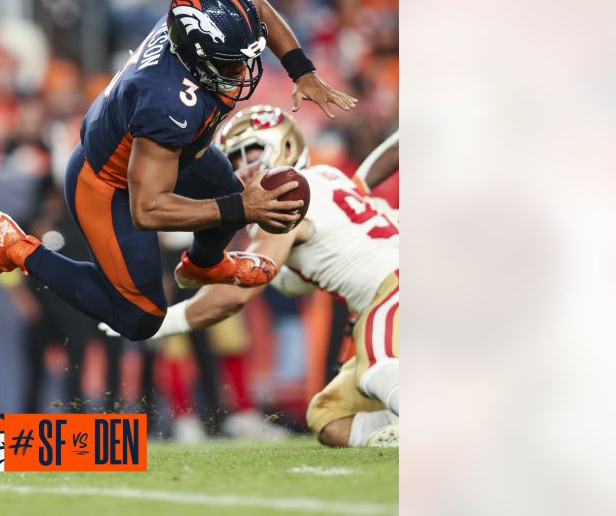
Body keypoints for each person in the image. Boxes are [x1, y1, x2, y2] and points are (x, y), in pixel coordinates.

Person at [0, 0, 357, 341]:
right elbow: (148, 211)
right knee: (142, 317)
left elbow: (257, 7)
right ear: (199, 56)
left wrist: (301, 71)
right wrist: (243, 207)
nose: (242, 70)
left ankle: (204, 265)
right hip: (108, 184)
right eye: (230, 61)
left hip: (173, 149)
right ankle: (13, 247)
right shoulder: (169, 101)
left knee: (224, 191)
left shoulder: (192, 36)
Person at [105, 106, 400, 448]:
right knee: (329, 418)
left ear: (285, 148)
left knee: (378, 368)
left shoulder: (286, 199)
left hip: (391, 288)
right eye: (234, 163)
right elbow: (302, 273)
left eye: (249, 155)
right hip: (394, 287)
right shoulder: (331, 179)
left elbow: (235, 294)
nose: (242, 173)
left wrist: (158, 322)